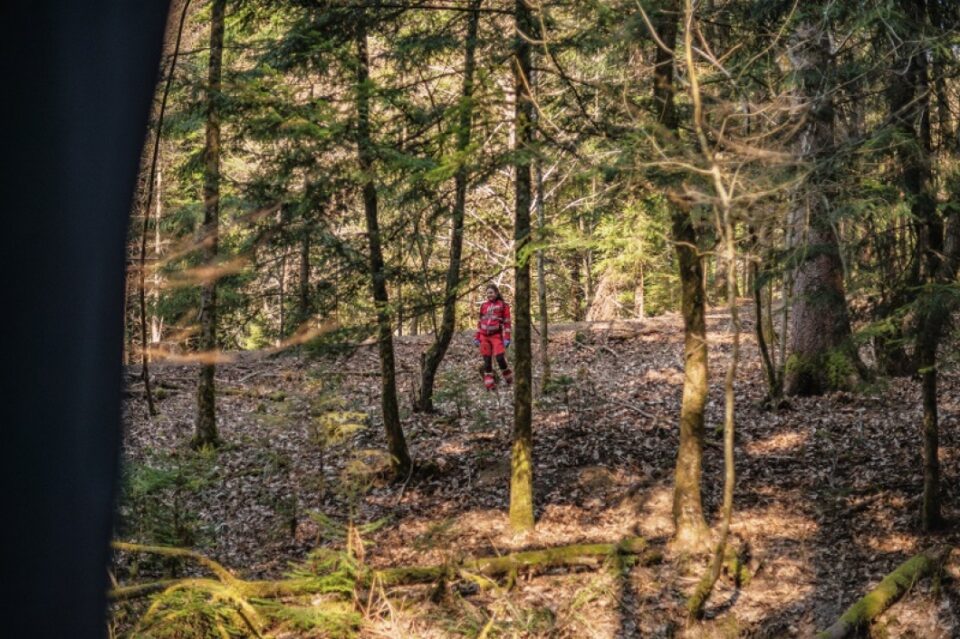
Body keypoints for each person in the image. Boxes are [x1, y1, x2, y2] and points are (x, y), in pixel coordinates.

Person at [474, 284, 513, 390]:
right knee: (487, 362)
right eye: (487, 293)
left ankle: (509, 379)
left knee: (500, 358)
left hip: (496, 336)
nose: (489, 295)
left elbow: (507, 323)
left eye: (491, 292)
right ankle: (490, 385)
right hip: (484, 336)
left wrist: (507, 338)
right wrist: (477, 337)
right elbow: (479, 322)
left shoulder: (503, 305)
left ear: (496, 293)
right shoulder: (483, 306)